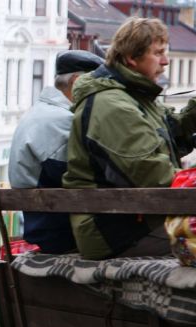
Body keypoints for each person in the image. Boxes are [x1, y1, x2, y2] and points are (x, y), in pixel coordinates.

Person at [63, 17, 196, 260]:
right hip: (116, 232)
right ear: (131, 58)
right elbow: (155, 177)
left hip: (138, 218)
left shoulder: (134, 97)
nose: (165, 62)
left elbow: (173, 133)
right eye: (158, 53)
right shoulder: (113, 106)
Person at [8, 50, 104, 254]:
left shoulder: (42, 113)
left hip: (46, 225)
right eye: (98, 85)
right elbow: (80, 176)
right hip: (61, 231)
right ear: (78, 81)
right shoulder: (60, 120)